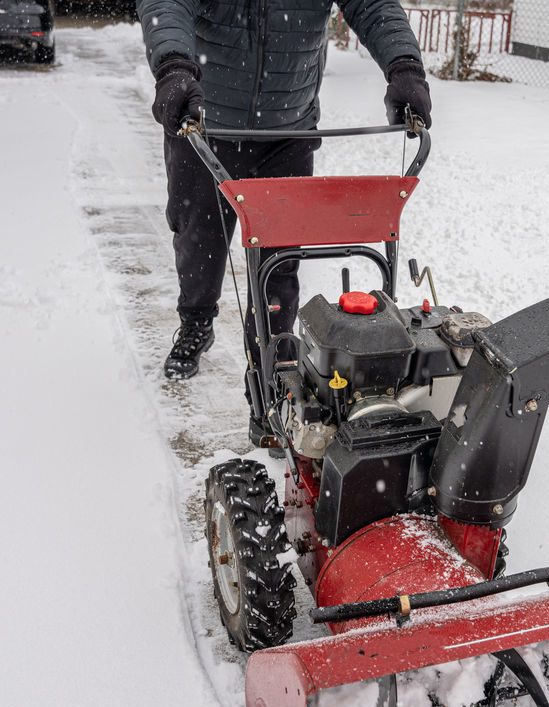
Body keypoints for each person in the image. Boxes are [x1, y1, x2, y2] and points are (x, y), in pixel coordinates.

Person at [136, 0, 432, 442]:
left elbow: (371, 5)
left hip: (287, 127)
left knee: (280, 263)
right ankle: (196, 322)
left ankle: (276, 384)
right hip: (203, 123)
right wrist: (174, 65)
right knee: (200, 243)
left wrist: (404, 66)